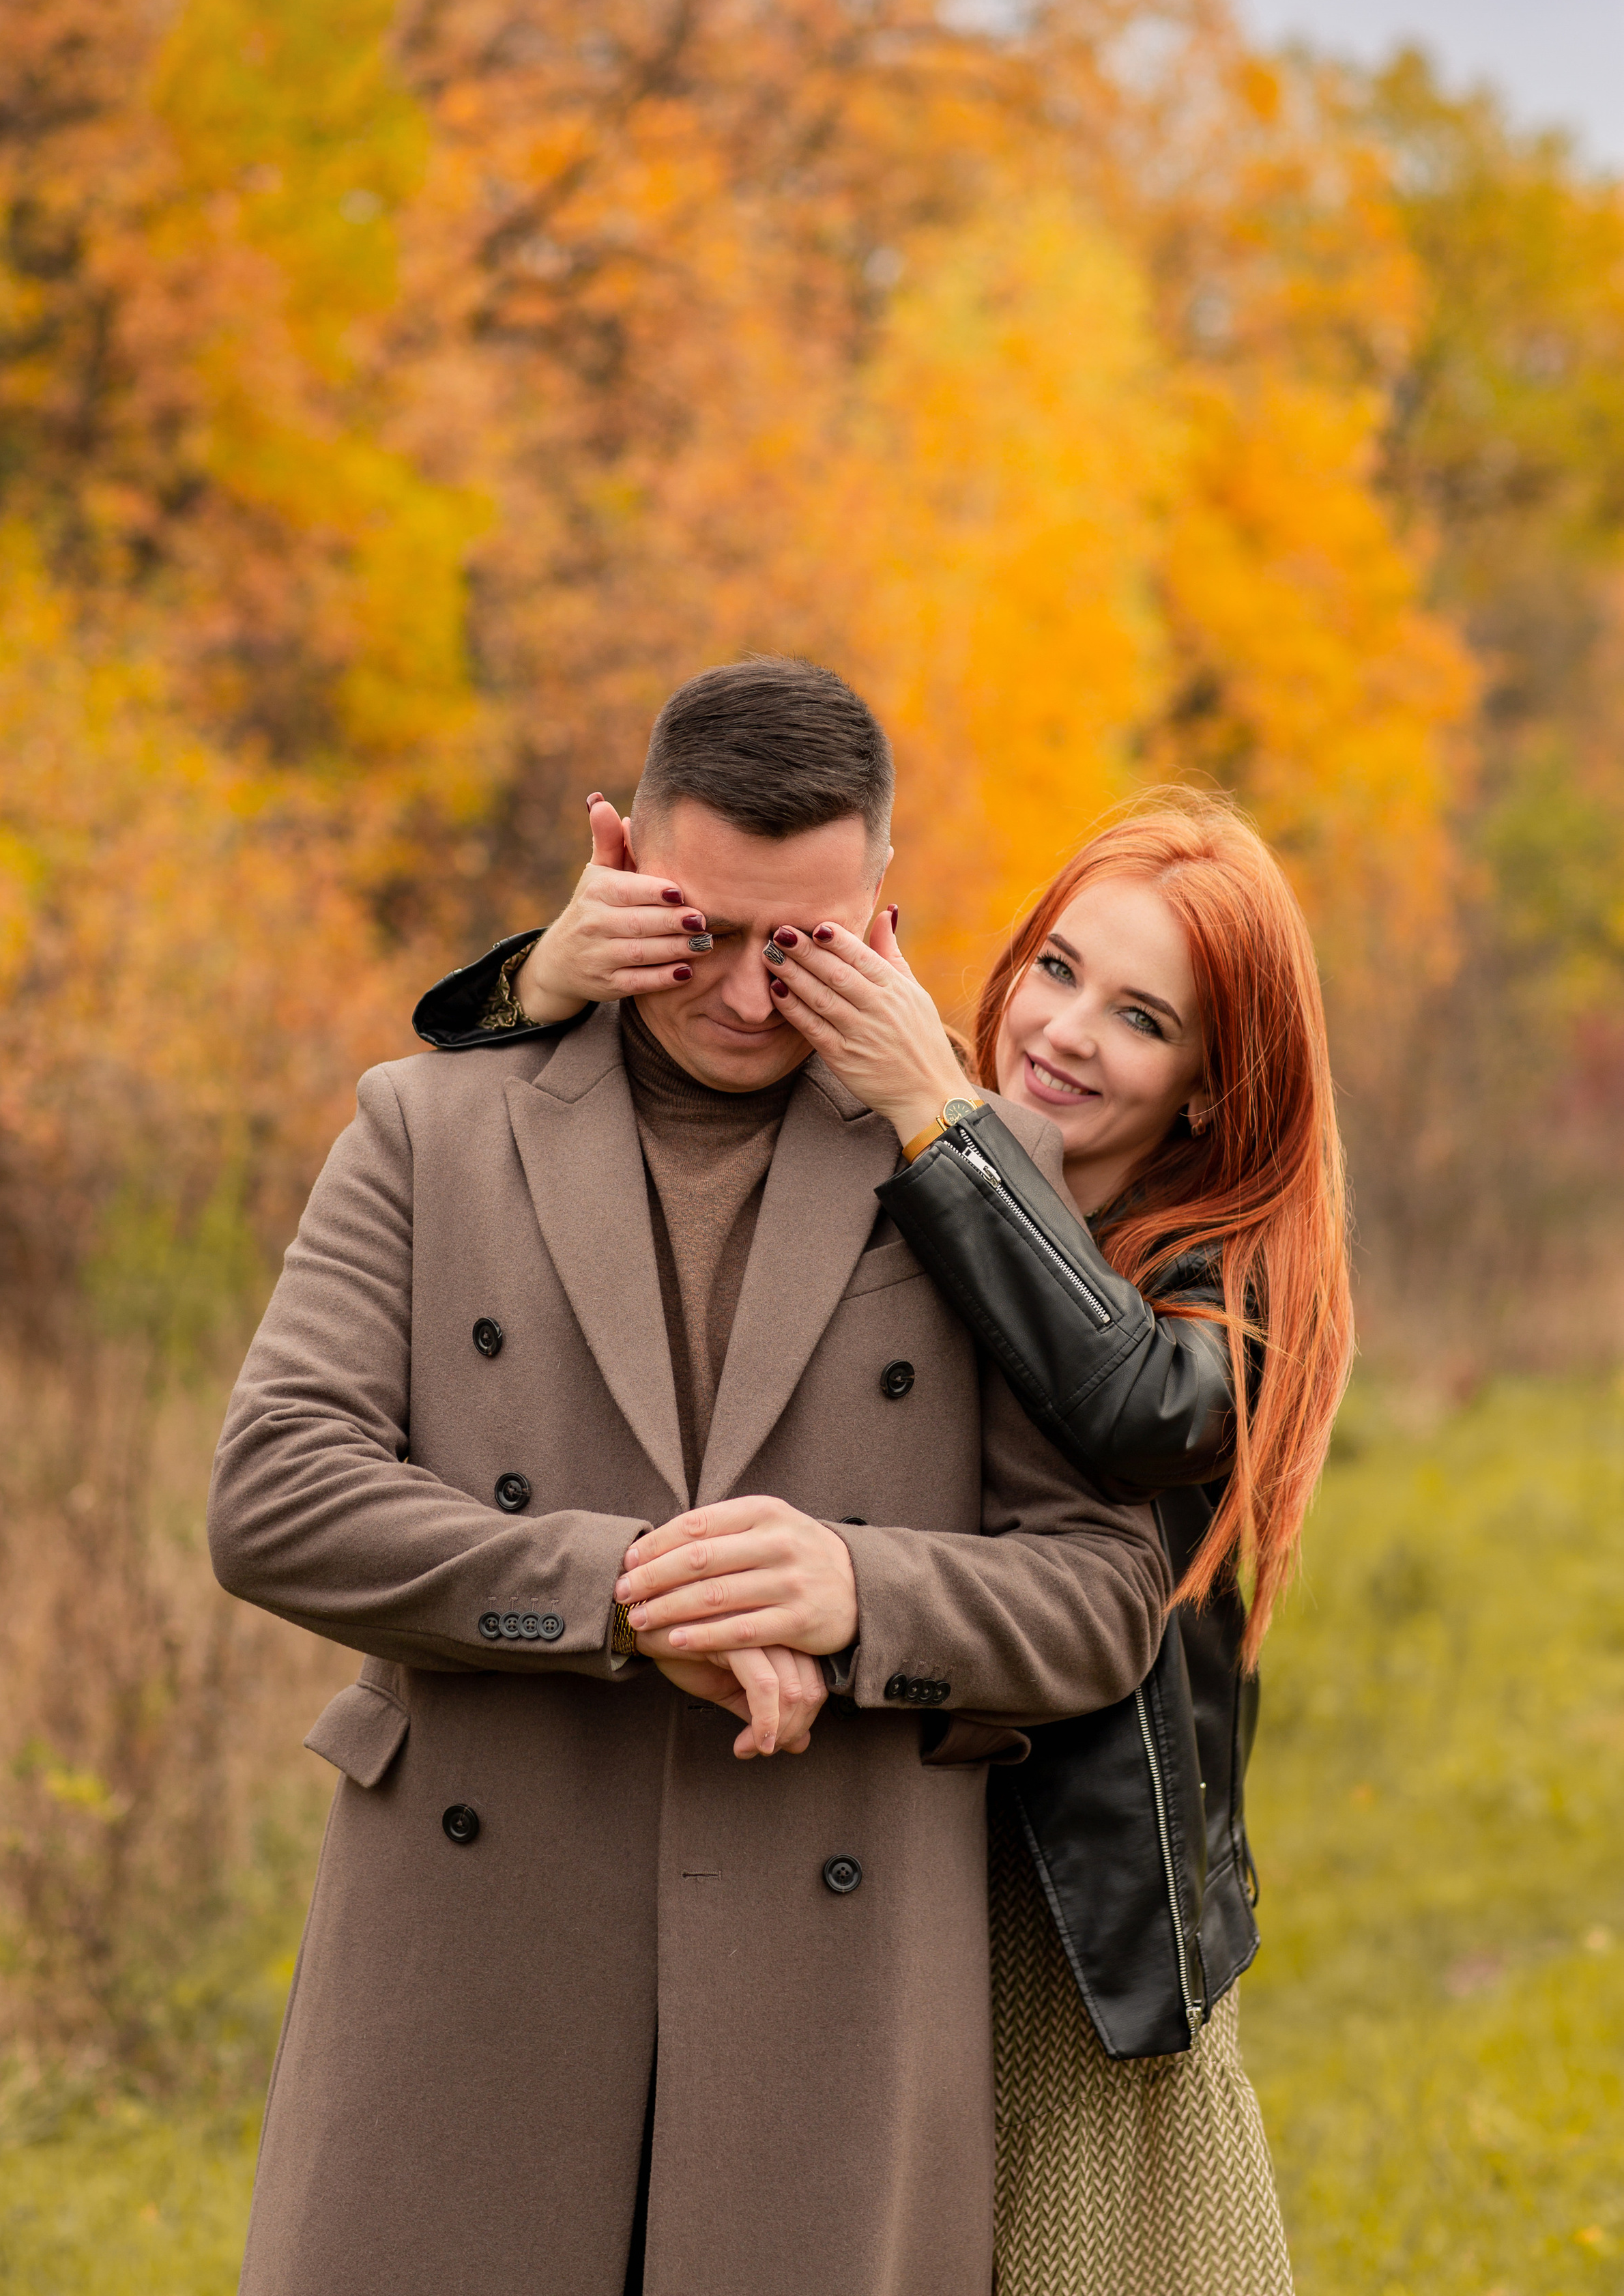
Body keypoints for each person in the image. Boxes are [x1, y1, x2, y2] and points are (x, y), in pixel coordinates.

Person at [209, 657, 1171, 2296]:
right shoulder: (426, 1126)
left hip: (831, 1988)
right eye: (701, 930)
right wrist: (622, 1592)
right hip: (468, 1963)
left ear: (880, 907)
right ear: (619, 858)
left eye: (797, 948)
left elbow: (1101, 1590)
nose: (739, 996)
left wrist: (858, 1589)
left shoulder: (970, 1168)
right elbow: (276, 1495)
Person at [426, 788, 1350, 2296]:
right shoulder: (920, 1151)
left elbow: (1132, 1405)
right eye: (1056, 969)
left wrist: (940, 1115)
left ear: (1206, 1085)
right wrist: (543, 977)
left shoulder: (1218, 1274)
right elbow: (665, 1059)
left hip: (1066, 1913)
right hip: (850, 1854)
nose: (1063, 1033)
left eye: (1140, 1019)